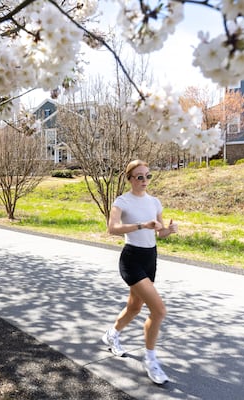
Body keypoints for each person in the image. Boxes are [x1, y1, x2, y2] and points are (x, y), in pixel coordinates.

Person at [101, 159, 178, 385]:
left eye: (147, 176)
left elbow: (160, 232)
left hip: (150, 258)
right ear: (130, 179)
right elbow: (112, 228)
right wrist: (141, 225)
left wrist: (169, 231)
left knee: (134, 307)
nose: (144, 180)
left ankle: (112, 334)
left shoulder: (155, 202)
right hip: (132, 258)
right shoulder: (122, 201)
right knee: (159, 310)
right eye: (139, 177)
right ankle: (151, 359)